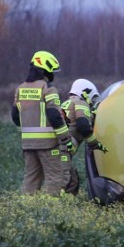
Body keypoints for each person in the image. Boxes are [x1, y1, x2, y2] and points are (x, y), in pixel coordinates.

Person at [11, 51, 72, 196]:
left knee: (31, 178)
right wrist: (65, 138)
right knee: (55, 176)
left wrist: (24, 132)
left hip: (27, 144)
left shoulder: (20, 88)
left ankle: (27, 207)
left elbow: (15, 115)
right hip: (48, 144)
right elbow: (54, 115)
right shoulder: (48, 88)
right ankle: (51, 210)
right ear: (46, 69)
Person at [60, 78, 106, 195]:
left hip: (50, 148)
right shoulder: (81, 102)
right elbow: (83, 125)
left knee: (72, 180)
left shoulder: (65, 104)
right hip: (62, 149)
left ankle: (65, 206)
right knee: (66, 181)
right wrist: (95, 144)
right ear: (86, 93)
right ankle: (54, 206)